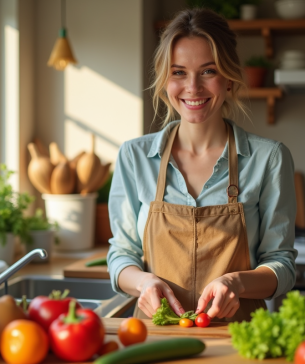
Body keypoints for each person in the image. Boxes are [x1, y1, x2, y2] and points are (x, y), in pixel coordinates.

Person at [106, 8, 297, 322]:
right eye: (179, 72)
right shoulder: (134, 157)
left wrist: (238, 281)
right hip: (154, 334)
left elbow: (281, 264)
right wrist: (143, 281)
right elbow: (121, 254)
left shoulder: (269, 159)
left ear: (230, 80)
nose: (192, 87)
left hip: (237, 340)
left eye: (208, 71)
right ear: (165, 80)